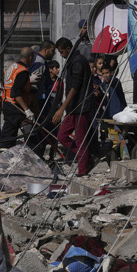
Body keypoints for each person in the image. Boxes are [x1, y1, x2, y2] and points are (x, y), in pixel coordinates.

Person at [51, 37, 96, 176]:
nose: (61, 55)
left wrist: (61, 108)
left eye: (62, 52)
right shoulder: (72, 61)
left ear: (69, 49)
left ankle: (83, 170)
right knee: (62, 136)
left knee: (80, 139)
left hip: (80, 106)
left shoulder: (77, 62)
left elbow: (75, 88)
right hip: (73, 107)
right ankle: (86, 157)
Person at [0, 47, 37, 148]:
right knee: (30, 135)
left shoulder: (12, 67)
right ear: (30, 57)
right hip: (16, 108)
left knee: (8, 135)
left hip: (7, 104)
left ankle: (2, 154)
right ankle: (33, 157)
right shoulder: (22, 71)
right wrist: (27, 110)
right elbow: (16, 93)